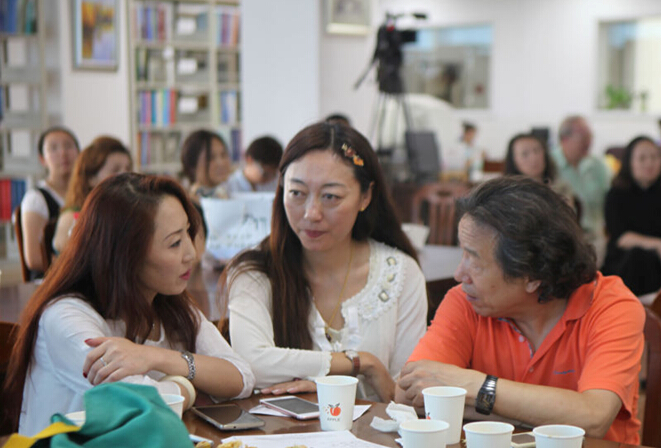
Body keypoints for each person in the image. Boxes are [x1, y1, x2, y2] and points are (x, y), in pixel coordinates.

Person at [396, 176, 644, 445]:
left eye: (474, 261)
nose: (459, 274)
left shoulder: (611, 307)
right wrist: (546, 413)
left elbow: (593, 417)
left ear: (533, 276)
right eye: (462, 254)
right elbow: (408, 394)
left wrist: (474, 387)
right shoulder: (466, 301)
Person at [3, 173, 255, 435]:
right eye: (175, 243)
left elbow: (241, 377)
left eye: (189, 233)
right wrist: (191, 387)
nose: (191, 254)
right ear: (125, 254)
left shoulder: (170, 302)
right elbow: (143, 403)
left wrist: (155, 357)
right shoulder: (66, 317)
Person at [225, 121, 427, 402]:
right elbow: (251, 365)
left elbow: (405, 396)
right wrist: (361, 363)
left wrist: (323, 379)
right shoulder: (255, 271)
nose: (311, 213)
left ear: (365, 196)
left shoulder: (400, 274)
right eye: (297, 193)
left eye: (330, 196)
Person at [52, 136, 132, 254]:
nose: (126, 176)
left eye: (128, 168)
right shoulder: (71, 219)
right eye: (115, 170)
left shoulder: (125, 213)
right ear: (90, 178)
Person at [602, 136, 661, 295]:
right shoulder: (616, 194)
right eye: (642, 158)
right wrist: (657, 244)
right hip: (626, 260)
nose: (649, 163)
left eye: (654, 157)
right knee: (639, 257)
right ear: (630, 162)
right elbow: (622, 238)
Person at [20, 126, 80, 279]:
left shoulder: (84, 194)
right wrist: (78, 270)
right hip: (51, 280)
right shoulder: (36, 198)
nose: (63, 153)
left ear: (79, 153)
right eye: (53, 148)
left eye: (68, 146)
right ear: (42, 159)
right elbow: (34, 259)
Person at [551, 116, 611, 252]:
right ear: (564, 139)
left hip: (596, 238)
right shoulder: (549, 164)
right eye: (583, 137)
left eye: (590, 136)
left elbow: (609, 202)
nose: (588, 142)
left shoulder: (598, 165)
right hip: (561, 239)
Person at [504, 133, 574, 205]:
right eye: (525, 154)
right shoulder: (508, 194)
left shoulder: (561, 188)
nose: (534, 158)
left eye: (537, 151)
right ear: (513, 160)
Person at [180, 129, 232, 203]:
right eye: (211, 157)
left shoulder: (225, 196)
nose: (221, 163)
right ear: (192, 165)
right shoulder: (188, 204)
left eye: (223, 155)